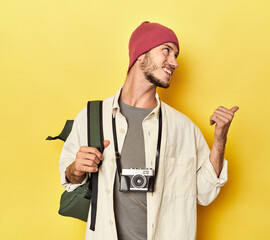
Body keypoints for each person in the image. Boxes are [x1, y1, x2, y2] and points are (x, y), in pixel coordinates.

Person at [59, 21, 238, 240]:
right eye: (167, 50)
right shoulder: (92, 116)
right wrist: (77, 169)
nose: (174, 62)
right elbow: (69, 178)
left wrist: (220, 140)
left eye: (176, 55)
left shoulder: (183, 128)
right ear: (141, 54)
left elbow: (205, 193)